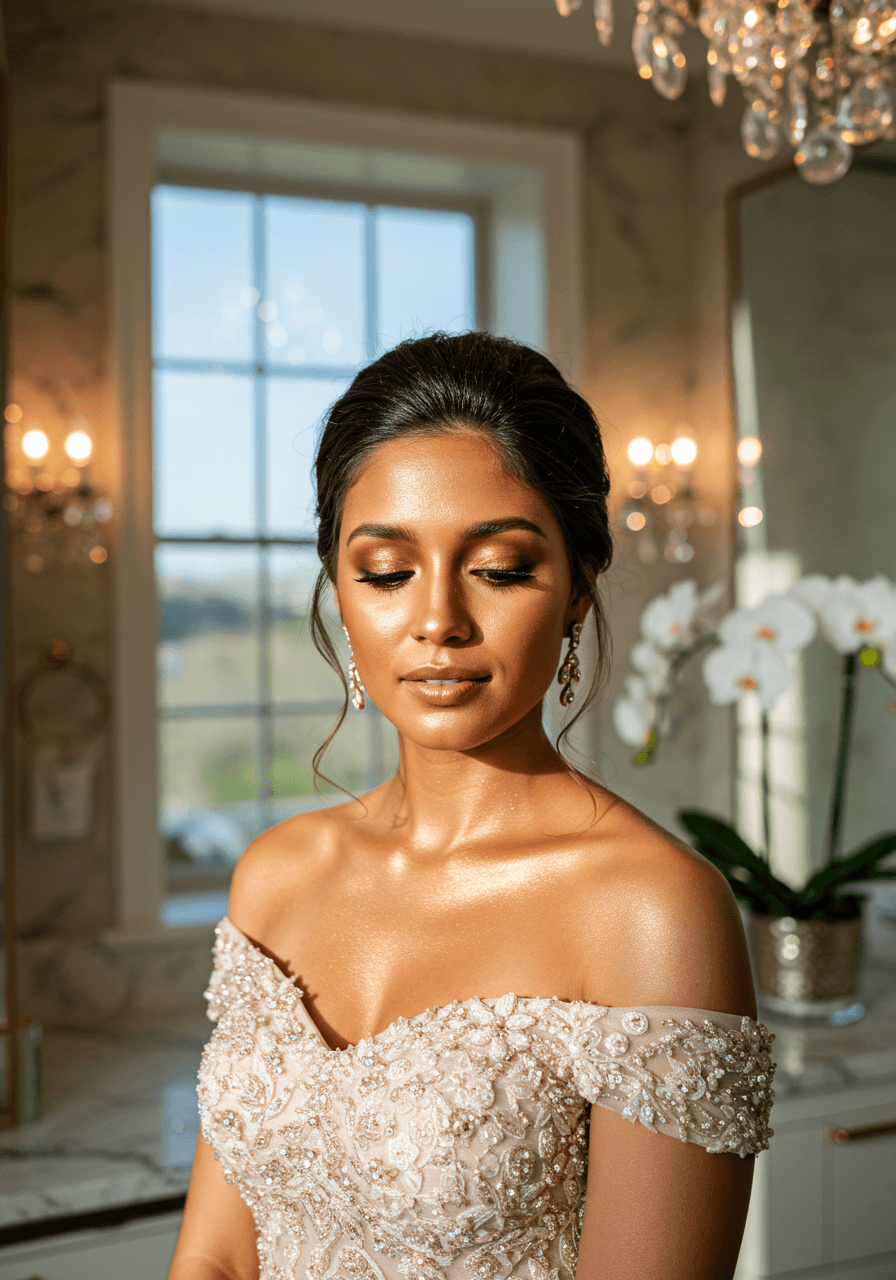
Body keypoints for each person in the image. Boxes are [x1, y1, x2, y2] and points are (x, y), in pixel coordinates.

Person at [169, 332, 774, 1280]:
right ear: (338, 589)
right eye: (384, 571)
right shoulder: (277, 876)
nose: (439, 619)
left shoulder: (656, 912)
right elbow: (212, 1257)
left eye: (498, 568)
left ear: (577, 590)